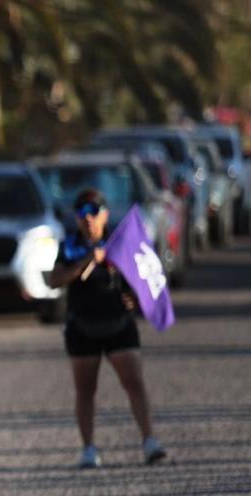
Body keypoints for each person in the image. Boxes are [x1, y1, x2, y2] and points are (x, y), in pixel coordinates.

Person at [45, 188, 167, 468]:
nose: (88, 219)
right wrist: (88, 260)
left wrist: (136, 298)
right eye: (82, 213)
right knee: (85, 389)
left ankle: (150, 441)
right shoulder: (69, 247)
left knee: (134, 382)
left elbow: (148, 276)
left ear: (105, 215)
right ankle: (89, 448)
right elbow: (54, 280)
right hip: (82, 326)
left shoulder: (121, 243)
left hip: (119, 324)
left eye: (93, 212)